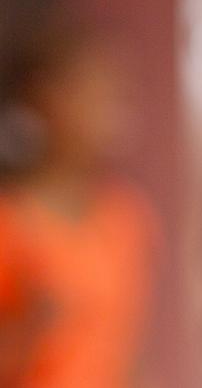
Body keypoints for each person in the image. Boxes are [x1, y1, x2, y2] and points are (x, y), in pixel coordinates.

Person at [0, 28, 156, 387]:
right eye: (92, 94)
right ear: (44, 100)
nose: (111, 110)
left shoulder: (127, 216)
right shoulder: (11, 221)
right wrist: (26, 335)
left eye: (116, 95)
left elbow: (127, 349)